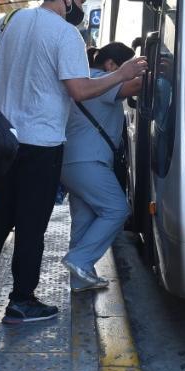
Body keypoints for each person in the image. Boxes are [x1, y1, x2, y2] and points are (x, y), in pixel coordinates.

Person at [0, 0, 147, 324]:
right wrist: (122, 73)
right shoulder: (66, 33)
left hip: (6, 138)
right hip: (41, 142)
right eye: (82, 1)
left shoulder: (15, 21)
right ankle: (22, 300)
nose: (81, 9)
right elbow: (80, 90)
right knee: (31, 224)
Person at [60, 42, 143, 291]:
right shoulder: (101, 79)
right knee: (117, 210)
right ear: (111, 64)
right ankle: (80, 259)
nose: (132, 72)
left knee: (84, 219)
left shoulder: (87, 79)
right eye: (128, 65)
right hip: (88, 161)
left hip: (72, 162)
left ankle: (80, 279)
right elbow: (137, 85)